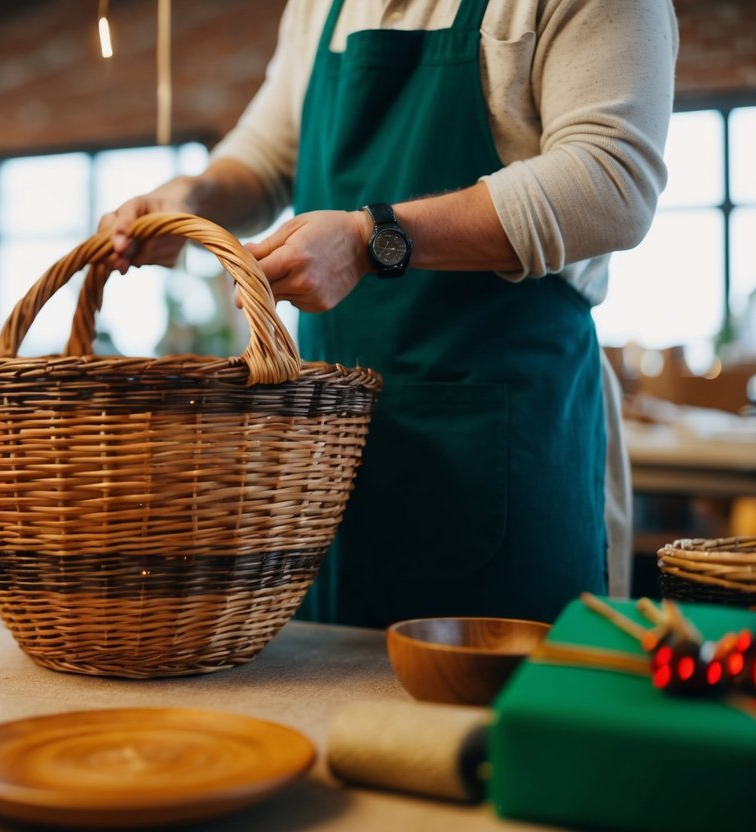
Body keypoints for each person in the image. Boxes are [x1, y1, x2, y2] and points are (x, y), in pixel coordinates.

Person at [99, 0, 679, 627]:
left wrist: (371, 239)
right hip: (325, 463)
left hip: (503, 452)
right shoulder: (319, 8)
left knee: (492, 711)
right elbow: (266, 159)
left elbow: (612, 182)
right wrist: (192, 197)